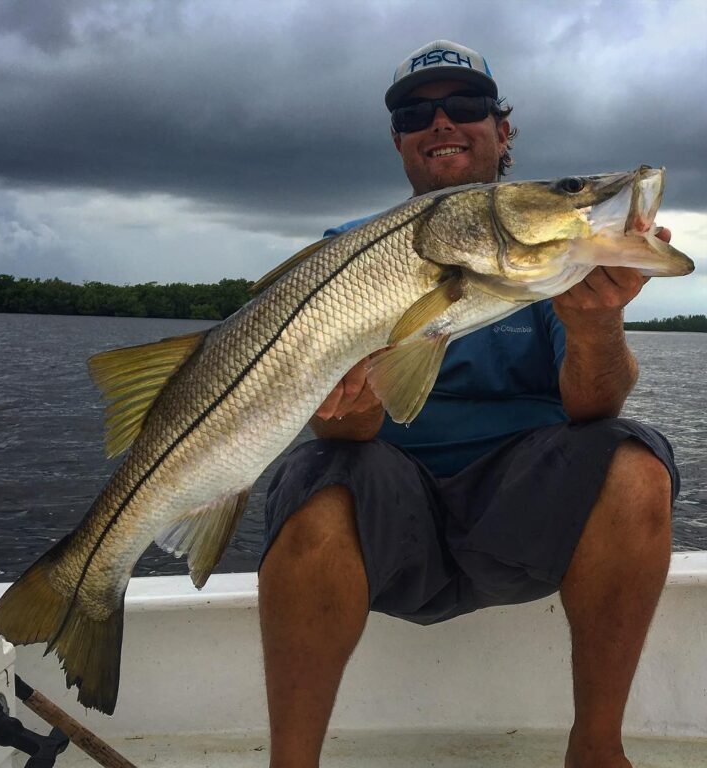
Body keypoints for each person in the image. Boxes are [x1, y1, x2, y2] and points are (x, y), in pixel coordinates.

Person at [258, 40, 679, 768]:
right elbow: (350, 430)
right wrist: (347, 406)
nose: (442, 121)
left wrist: (596, 322)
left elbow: (595, 407)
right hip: (392, 519)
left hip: (520, 514)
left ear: (503, 130)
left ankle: (596, 750)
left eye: (469, 105)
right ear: (398, 142)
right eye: (417, 112)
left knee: (636, 466)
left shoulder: (554, 263)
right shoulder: (344, 255)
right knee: (312, 482)